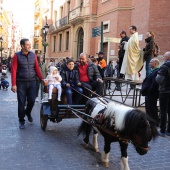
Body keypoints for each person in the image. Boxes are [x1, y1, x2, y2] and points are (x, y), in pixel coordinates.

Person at [11, 38, 43, 129]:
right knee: (21, 102)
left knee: (32, 100)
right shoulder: (16, 56)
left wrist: (42, 79)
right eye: (27, 44)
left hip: (32, 82)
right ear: (22, 46)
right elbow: (13, 70)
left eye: (30, 44)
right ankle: (21, 120)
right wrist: (14, 84)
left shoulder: (33, 55)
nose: (29, 46)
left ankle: (28, 112)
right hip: (21, 83)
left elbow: (37, 68)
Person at [141, 58, 159, 126]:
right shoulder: (153, 71)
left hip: (152, 94)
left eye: (151, 62)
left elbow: (155, 83)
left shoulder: (156, 71)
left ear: (155, 63)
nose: (149, 63)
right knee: (148, 108)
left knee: (152, 109)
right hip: (149, 94)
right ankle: (150, 121)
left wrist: (149, 91)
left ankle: (154, 122)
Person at [156, 51, 170, 137]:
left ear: (168, 58)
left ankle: (162, 130)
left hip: (164, 91)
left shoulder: (164, 66)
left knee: (163, 111)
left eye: (164, 56)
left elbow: (159, 80)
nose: (164, 58)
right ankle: (169, 131)